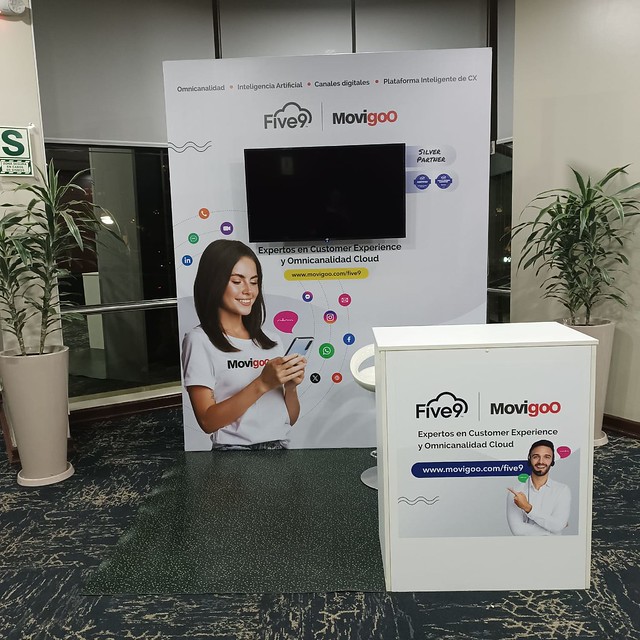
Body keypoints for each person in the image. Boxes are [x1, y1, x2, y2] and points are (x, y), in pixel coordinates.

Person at [181, 239, 307, 450]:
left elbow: (290, 419)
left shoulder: (272, 341)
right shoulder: (199, 340)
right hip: (235, 454)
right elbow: (207, 422)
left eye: (254, 282)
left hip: (280, 449)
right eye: (237, 281)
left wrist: (291, 387)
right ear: (213, 283)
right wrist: (262, 383)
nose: (249, 290)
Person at [506, 439, 571, 535]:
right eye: (536, 457)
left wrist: (528, 508)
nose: (541, 461)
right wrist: (553, 528)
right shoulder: (516, 491)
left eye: (547, 457)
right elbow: (517, 530)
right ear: (529, 459)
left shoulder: (562, 490)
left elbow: (558, 526)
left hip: (554, 544)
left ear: (552, 460)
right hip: (525, 544)